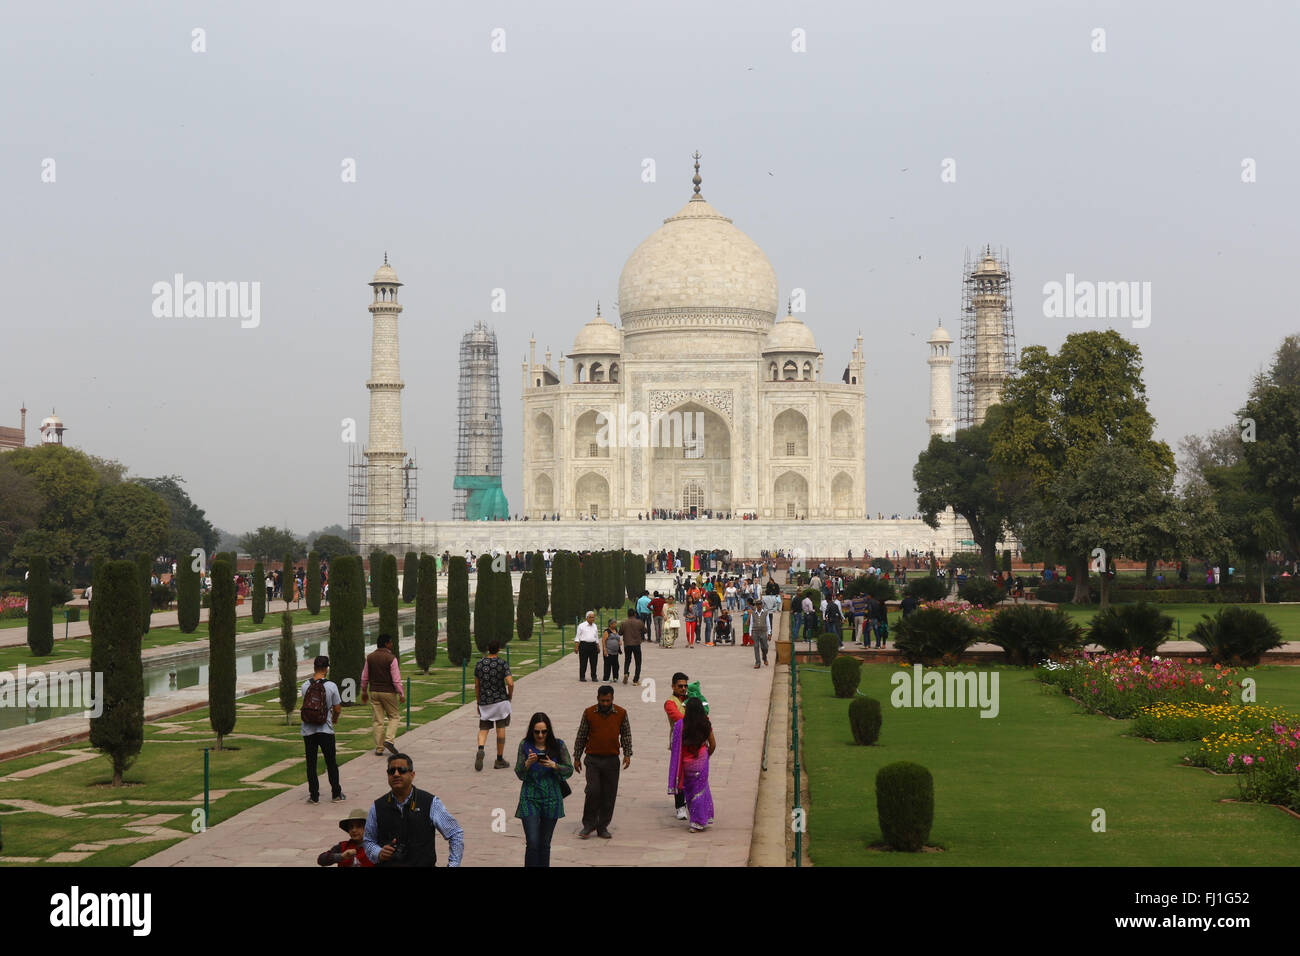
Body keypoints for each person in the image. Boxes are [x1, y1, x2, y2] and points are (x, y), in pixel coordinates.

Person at [363, 752, 464, 867]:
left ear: (412, 774)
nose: (396, 774)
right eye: (392, 771)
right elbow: (368, 841)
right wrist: (379, 852)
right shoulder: (377, 806)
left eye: (401, 770)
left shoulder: (430, 802)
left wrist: (453, 864)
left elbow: (455, 833)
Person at [514, 711, 574, 867]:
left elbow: (569, 770)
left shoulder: (558, 745)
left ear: (549, 731)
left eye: (544, 731)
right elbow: (519, 773)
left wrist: (554, 766)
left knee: (545, 844)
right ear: (531, 731)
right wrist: (527, 763)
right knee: (533, 842)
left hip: (552, 798)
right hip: (530, 797)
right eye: (537, 732)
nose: (540, 735)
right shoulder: (524, 745)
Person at [572, 685, 632, 839]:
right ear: (597, 698)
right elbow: (581, 735)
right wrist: (577, 757)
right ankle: (588, 824)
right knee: (593, 791)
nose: (605, 704)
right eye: (602, 700)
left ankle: (602, 826)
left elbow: (625, 734)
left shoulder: (621, 713)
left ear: (612, 699)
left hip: (612, 760)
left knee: (609, 794)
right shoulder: (589, 713)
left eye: (608, 701)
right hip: (593, 759)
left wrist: (627, 754)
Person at [301, 655, 345, 804]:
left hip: (308, 730)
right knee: (331, 762)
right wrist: (334, 719)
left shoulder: (305, 685)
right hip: (325, 729)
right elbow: (337, 708)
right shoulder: (331, 686)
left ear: (314, 667)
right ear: (327, 669)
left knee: (311, 764)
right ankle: (336, 794)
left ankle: (314, 796)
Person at [668, 697, 716, 832]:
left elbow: (675, 747)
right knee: (701, 790)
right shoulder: (705, 724)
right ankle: (699, 820)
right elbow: (713, 744)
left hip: (686, 764)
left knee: (690, 791)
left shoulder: (680, 725)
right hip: (701, 761)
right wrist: (706, 756)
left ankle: (697, 819)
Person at [361, 633, 405, 756]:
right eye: (391, 642)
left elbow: (364, 677)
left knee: (377, 720)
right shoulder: (391, 658)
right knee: (394, 716)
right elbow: (396, 679)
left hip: (374, 692)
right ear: (386, 644)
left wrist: (364, 691)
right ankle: (389, 740)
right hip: (388, 692)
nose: (392, 644)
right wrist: (401, 693)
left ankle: (379, 748)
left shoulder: (370, 657)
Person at [474, 640, 514, 771]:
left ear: (487, 649)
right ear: (498, 650)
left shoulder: (479, 664)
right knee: (500, 728)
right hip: (500, 701)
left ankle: (481, 748)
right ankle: (499, 759)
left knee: (483, 729)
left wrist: (478, 701)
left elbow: (477, 685)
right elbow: (510, 683)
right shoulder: (502, 663)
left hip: (485, 702)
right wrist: (510, 696)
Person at [664, 673, 690, 819]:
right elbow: (679, 718)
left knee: (693, 772)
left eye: (685, 685)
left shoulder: (691, 698)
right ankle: (680, 806)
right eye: (680, 686)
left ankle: (692, 802)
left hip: (693, 741)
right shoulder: (670, 702)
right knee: (679, 774)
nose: (683, 688)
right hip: (678, 742)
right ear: (673, 686)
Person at [619, 606, 645, 685]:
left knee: (627, 660)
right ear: (634, 614)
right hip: (636, 644)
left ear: (627, 614)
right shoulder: (639, 622)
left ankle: (626, 673)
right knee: (638, 662)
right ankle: (636, 680)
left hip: (627, 644)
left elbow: (620, 633)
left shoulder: (624, 623)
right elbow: (645, 630)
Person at [575, 610, 600, 682]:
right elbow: (577, 637)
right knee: (583, 662)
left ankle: (594, 677)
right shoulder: (581, 626)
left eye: (593, 617)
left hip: (593, 645)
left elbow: (596, 637)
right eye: (591, 617)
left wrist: (598, 646)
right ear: (587, 618)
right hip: (584, 645)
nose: (593, 619)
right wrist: (576, 647)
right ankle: (582, 677)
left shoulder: (595, 626)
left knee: (594, 662)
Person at [750, 600, 770, 668]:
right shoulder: (753, 613)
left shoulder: (765, 613)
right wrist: (750, 633)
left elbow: (768, 623)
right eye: (757, 605)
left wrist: (769, 633)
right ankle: (757, 662)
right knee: (756, 646)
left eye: (760, 604)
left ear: (762, 605)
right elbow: (751, 623)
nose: (759, 606)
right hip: (755, 631)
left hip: (763, 631)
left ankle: (764, 657)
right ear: (756, 605)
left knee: (765, 647)